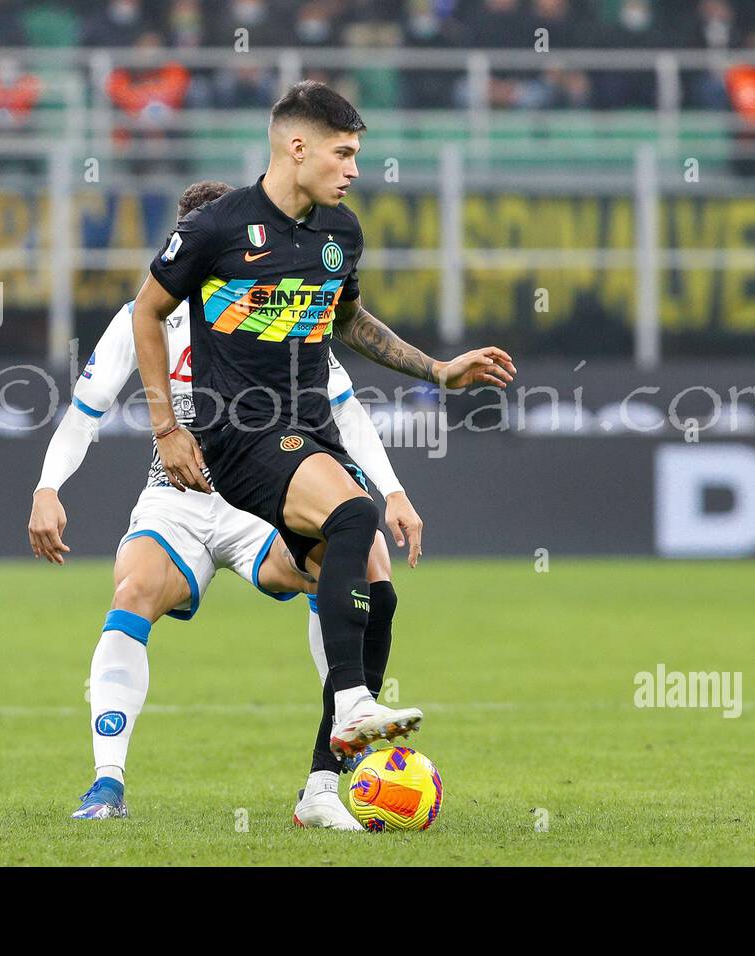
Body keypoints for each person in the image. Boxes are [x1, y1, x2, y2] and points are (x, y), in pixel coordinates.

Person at [131, 81, 515, 762]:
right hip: (240, 434)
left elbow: (348, 320)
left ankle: (320, 787)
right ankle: (353, 706)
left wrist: (437, 370)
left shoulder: (341, 233)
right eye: (343, 153)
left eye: (358, 154)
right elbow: (146, 312)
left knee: (376, 591)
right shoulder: (217, 227)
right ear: (296, 146)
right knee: (353, 513)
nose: (355, 169)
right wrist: (168, 427)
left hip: (311, 432)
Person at [31, 179, 425, 828]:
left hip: (262, 497)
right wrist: (48, 487)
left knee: (362, 563)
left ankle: (325, 779)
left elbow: (346, 408)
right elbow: (84, 413)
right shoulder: (146, 315)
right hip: (177, 498)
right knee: (132, 591)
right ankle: (106, 784)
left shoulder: (282, 310)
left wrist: (393, 491)